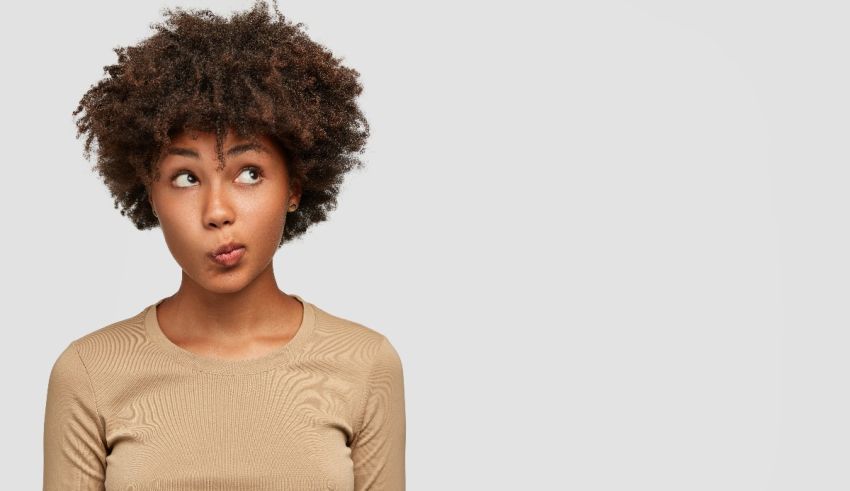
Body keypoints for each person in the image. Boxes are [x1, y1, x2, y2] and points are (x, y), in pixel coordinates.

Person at [42, 1, 405, 489]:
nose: (217, 211)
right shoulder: (90, 372)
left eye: (249, 173)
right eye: (186, 177)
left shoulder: (365, 364)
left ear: (294, 185)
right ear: (149, 191)